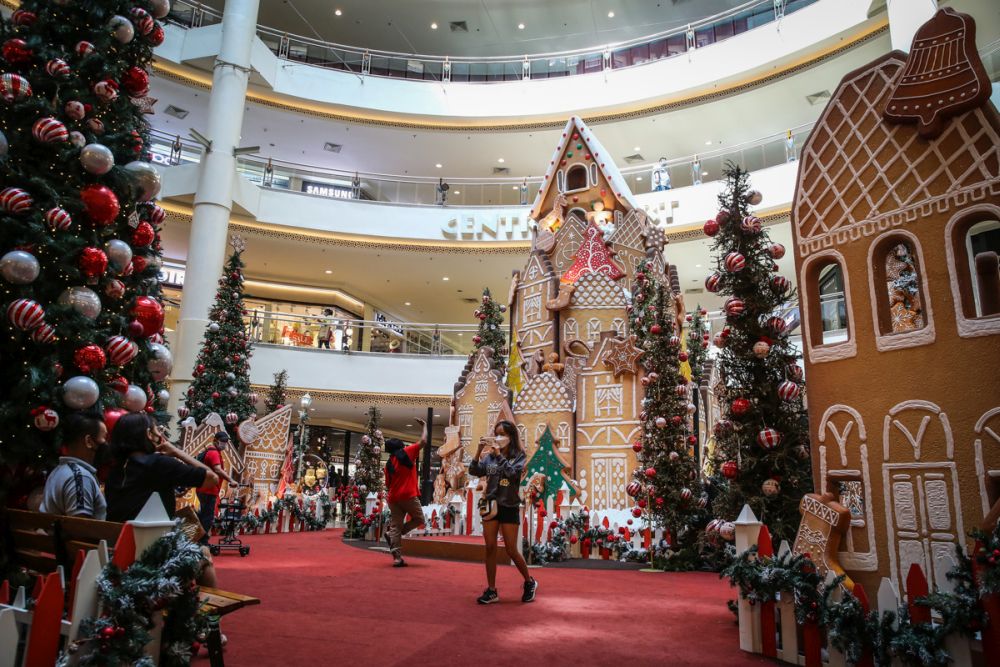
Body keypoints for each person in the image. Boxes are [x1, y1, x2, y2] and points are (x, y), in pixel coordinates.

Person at [105, 413, 220, 522]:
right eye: (158, 431)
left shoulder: (115, 469)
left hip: (114, 537)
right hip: (147, 539)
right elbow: (212, 478)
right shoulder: (159, 463)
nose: (160, 435)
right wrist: (176, 452)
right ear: (149, 434)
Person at [469, 421, 536, 604]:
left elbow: (513, 475)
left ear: (511, 436)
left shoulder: (519, 456)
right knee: (490, 547)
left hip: (509, 506)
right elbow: (474, 470)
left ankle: (529, 582)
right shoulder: (489, 457)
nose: (499, 438)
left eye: (502, 434)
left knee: (511, 549)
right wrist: (478, 450)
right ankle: (491, 590)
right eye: (496, 434)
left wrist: (499, 455)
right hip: (490, 505)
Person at [40, 411, 109, 520]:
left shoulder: (58, 471)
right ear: (89, 441)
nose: (106, 443)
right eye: (104, 437)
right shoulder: (80, 477)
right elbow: (80, 529)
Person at [383, 419, 427, 567]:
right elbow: (423, 441)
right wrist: (425, 426)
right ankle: (395, 534)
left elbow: (388, 484)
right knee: (419, 519)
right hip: (408, 495)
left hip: (393, 498)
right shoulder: (407, 452)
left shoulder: (388, 464)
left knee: (395, 526)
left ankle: (397, 558)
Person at [196, 432, 239, 545]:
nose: (224, 444)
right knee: (207, 517)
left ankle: (198, 540)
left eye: (226, 442)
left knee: (203, 516)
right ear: (215, 440)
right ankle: (202, 543)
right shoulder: (214, 453)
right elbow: (218, 469)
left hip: (205, 489)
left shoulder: (210, 452)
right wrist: (231, 480)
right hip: (208, 490)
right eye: (223, 441)